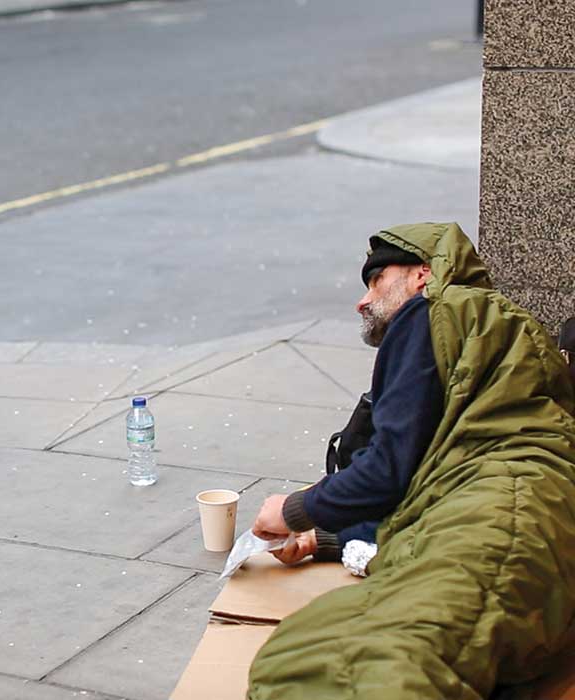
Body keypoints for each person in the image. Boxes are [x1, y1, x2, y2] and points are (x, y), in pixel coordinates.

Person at [246, 222, 575, 699]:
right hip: (538, 503)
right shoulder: (490, 327)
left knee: (342, 662)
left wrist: (293, 509)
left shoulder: (430, 312)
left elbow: (388, 470)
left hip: (506, 499)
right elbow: (421, 483)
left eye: (377, 279)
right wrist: (326, 537)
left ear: (424, 273)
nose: (363, 300)